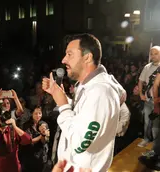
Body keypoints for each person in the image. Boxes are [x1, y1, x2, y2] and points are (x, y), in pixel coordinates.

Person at [42, 33, 121, 171]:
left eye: (69, 54)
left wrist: (64, 106)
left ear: (87, 57)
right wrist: (61, 96)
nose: (63, 60)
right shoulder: (87, 86)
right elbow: (84, 113)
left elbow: (81, 143)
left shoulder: (101, 92)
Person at [138, 46, 160, 147]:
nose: (153, 56)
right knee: (147, 122)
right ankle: (146, 139)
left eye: (156, 53)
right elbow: (140, 81)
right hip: (148, 99)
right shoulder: (147, 67)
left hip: (158, 101)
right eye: (151, 54)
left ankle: (155, 145)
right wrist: (141, 94)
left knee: (156, 125)